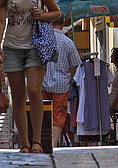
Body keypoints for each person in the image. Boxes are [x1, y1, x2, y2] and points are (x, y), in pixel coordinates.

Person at [0, 0, 60, 154]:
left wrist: (42, 15)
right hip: (12, 47)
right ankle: (24, 143)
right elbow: (1, 20)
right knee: (18, 95)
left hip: (35, 46)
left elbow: (57, 13)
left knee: (34, 90)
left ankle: (37, 140)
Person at [42, 16, 81, 147]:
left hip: (43, 82)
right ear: (63, 23)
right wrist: (69, 78)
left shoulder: (43, 40)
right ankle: (53, 143)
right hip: (61, 85)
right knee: (58, 115)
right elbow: (75, 64)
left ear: (51, 22)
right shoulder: (68, 42)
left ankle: (43, 141)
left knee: (44, 114)